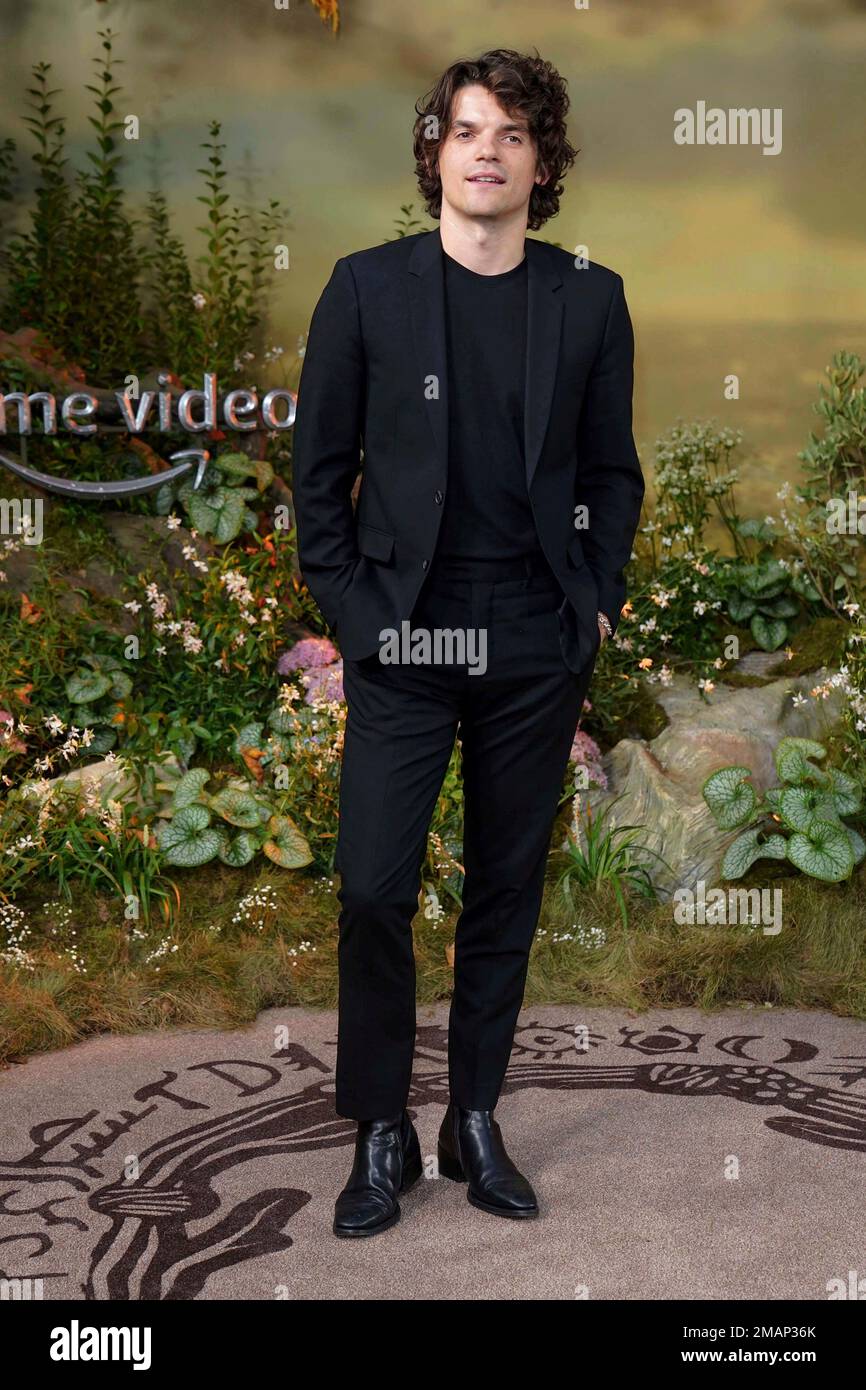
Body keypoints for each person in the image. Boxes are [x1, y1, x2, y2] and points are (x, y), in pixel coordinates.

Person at [292, 47, 645, 1238]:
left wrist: (590, 597)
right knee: (374, 887)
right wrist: (353, 614)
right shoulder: (362, 290)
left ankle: (474, 1118)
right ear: (434, 152)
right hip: (405, 636)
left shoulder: (587, 298)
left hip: (532, 638)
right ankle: (380, 1126)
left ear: (540, 161)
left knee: (504, 889)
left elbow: (609, 473)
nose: (484, 149)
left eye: (508, 132)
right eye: (464, 129)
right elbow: (316, 480)